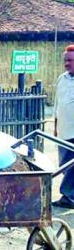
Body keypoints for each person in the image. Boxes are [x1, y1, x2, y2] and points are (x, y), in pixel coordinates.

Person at [53, 44, 74, 209]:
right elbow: (57, 104)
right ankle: (69, 196)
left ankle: (68, 197)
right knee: (65, 166)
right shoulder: (62, 78)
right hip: (63, 130)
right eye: (65, 60)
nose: (67, 63)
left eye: (71, 60)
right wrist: (55, 125)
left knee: (72, 167)